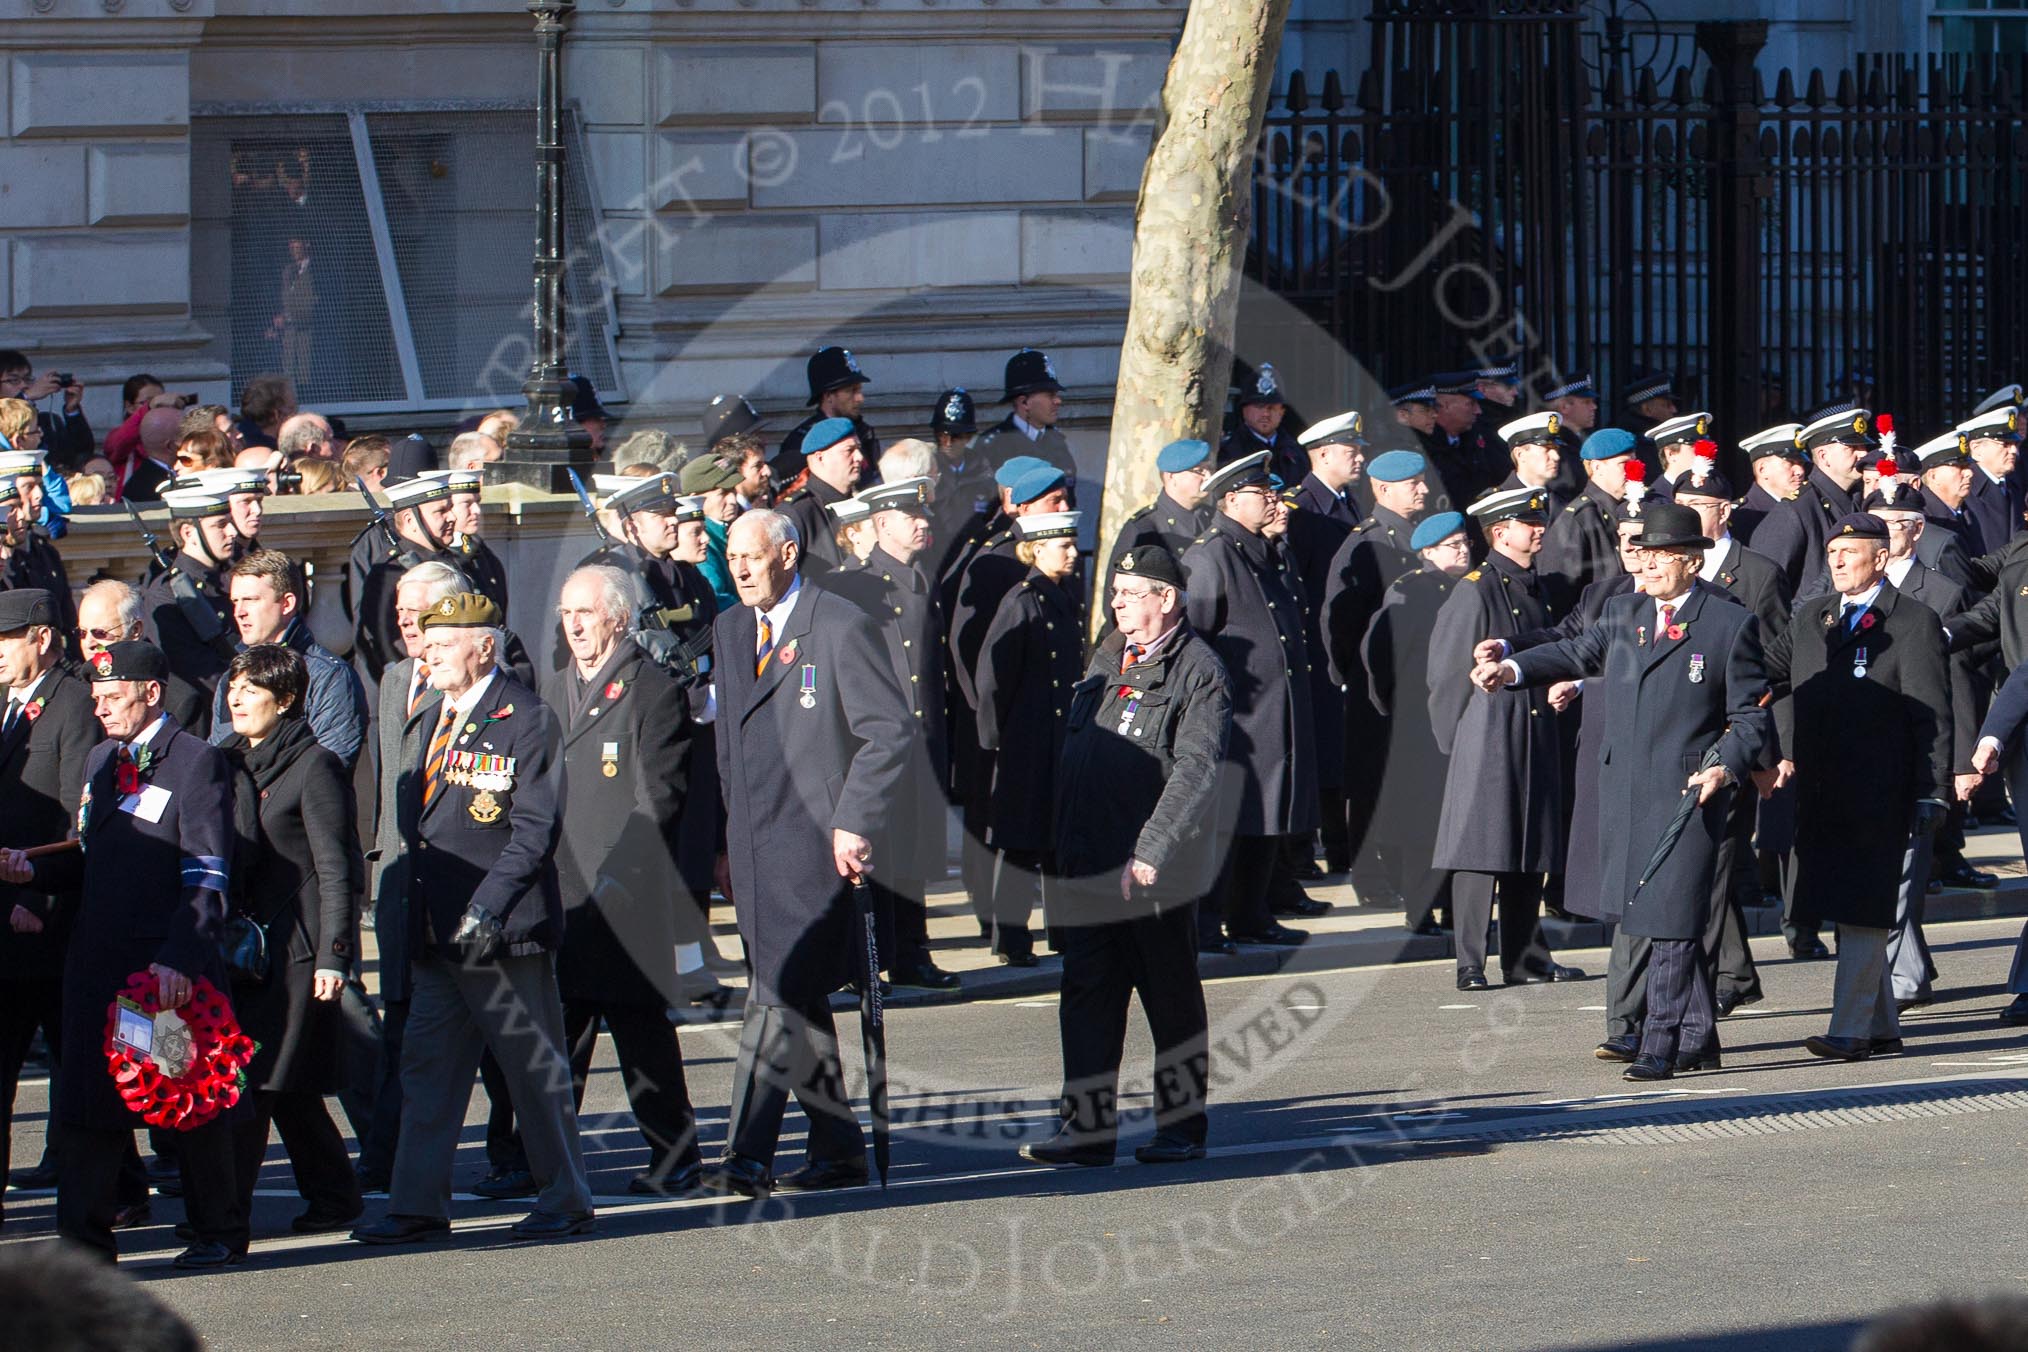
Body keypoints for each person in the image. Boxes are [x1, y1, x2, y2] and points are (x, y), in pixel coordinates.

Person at [1483, 502, 1772, 1079]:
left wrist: (1724, 766)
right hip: (1624, 788)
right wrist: (1512, 668)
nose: (1649, 565)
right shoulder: (1624, 612)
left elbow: (1750, 717)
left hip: (1689, 790)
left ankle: (1659, 1041)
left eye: (1663, 555)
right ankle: (1697, 1035)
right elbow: (1574, 652)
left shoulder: (1727, 623)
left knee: (1669, 918)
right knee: (1642, 915)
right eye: (1644, 554)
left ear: (1692, 562)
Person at [350, 593, 594, 1244]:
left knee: (532, 1071)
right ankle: (417, 1204)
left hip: (502, 933)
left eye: (443, 641)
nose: (427, 652)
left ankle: (566, 1197)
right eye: (425, 642)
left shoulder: (525, 718)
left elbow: (534, 831)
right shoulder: (433, 715)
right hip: (439, 930)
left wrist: (488, 907)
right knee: (427, 1069)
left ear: (483, 646)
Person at [0, 641, 243, 1266]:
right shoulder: (103, 760)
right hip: (96, 967)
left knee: (183, 1101)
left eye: (112, 698)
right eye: (98, 698)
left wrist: (181, 959)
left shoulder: (196, 763)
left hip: (158, 974)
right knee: (87, 1106)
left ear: (151, 693)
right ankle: (84, 1247)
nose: (101, 708)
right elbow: (90, 861)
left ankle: (217, 1230)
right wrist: (33, 875)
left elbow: (208, 873)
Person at [703, 510, 914, 1198]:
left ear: (787, 554)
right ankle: (838, 1146)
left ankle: (744, 1158)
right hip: (754, 846)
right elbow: (728, 750)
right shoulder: (733, 628)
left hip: (817, 845)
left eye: (750, 556)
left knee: (776, 993)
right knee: (796, 995)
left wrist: (855, 819)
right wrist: (725, 844)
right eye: (731, 556)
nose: (738, 568)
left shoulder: (837, 623)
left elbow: (887, 732)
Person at [1021, 545, 1230, 1168]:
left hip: (1149, 869)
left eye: (1130, 593)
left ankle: (1181, 1128)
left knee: (1168, 997)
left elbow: (1195, 769)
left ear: (1165, 599)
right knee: (1087, 993)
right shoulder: (1108, 654)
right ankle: (1085, 1131)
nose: (1116, 603)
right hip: (1087, 861)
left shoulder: (1198, 669)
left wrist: (1152, 850)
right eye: (1114, 593)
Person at [1757, 514, 1954, 1061]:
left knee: (1864, 909)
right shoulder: (1813, 617)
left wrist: (1930, 790)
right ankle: (1883, 1026)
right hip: (1822, 789)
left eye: (1851, 551)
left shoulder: (1913, 620)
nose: (1838, 561)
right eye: (1833, 551)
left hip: (1880, 791)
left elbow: (1932, 715)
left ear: (1881, 558)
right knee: (1845, 903)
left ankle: (1849, 1030)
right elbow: (1766, 669)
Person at [541, 566, 704, 1194]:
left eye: (585, 613)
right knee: (560, 1039)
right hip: (564, 891)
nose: (575, 626)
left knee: (641, 1035)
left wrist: (621, 877)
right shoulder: (555, 690)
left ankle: (676, 1158)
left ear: (616, 616)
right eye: (566, 614)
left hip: (624, 895)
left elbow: (658, 798)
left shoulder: (651, 689)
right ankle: (547, 1161)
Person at [217, 644, 364, 1235]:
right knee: (292, 1088)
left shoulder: (314, 765)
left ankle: (224, 1215)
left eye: (252, 689)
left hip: (298, 953)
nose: (237, 698)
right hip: (243, 951)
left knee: (255, 1082)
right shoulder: (225, 759)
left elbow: (337, 867)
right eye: (234, 686)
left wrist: (336, 954)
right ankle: (335, 1197)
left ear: (286, 700)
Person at [1427, 486, 1583, 990]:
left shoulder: (1536, 584)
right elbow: (1446, 675)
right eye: (1528, 523)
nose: (1539, 529)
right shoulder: (1476, 588)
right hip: (1488, 732)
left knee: (1527, 847)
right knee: (1479, 849)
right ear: (1500, 533)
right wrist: (1457, 742)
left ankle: (1523, 957)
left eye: (1539, 521)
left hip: (1535, 730)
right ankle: (1470, 960)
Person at [352, 559, 466, 1194]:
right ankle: (385, 1158)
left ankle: (516, 1151)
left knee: (475, 1033)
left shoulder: (482, 678)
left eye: (415, 609)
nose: (402, 619)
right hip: (399, 881)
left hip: (452, 883)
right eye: (398, 608)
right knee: (400, 1022)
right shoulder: (396, 677)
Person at [820, 478, 960, 991]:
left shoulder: (923, 580)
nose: (923, 523)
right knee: (874, 855)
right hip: (874, 741)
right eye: (910, 516)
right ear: (881, 524)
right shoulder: (851, 583)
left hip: (919, 738)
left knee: (914, 851)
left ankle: (912, 953)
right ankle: (865, 960)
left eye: (923, 514)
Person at [1182, 450, 1317, 952]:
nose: (1274, 501)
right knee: (1225, 826)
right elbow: (1194, 639)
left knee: (1266, 816)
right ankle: (1204, 922)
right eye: (1264, 494)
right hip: (1235, 717)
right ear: (1232, 499)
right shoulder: (1211, 555)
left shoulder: (1261, 549)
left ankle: (1251, 914)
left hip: (1272, 715)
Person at [0, 591, 99, 1220]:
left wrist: (38, 890)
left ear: (40, 637)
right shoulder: (12, 703)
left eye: (4, 641)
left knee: (80, 1074)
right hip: (7, 924)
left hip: (47, 922)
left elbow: (75, 814)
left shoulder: (73, 703)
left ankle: (108, 1197)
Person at [973, 510, 1084, 967]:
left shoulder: (1060, 595)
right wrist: (1000, 739)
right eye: (1064, 546)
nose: (1074, 553)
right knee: (1019, 844)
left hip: (1058, 739)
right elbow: (992, 679)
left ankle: (1065, 931)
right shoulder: (1021, 602)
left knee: (1060, 839)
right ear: (1037, 549)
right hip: (1026, 740)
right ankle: (1012, 939)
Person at [1320, 448, 1429, 898]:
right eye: (1412, 484)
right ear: (1383, 490)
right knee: (1372, 783)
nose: (1423, 489)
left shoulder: (1417, 536)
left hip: (1415, 682)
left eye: (1422, 481)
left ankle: (1404, 870)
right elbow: (1339, 621)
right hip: (1376, 685)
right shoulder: (1367, 542)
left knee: (1406, 783)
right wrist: (1359, 677)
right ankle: (1370, 875)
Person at [1361, 513, 1472, 934]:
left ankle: (1455, 908)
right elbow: (1381, 659)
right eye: (1452, 545)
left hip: (1461, 717)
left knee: (1459, 817)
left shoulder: (1470, 589)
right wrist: (1396, 709)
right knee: (1423, 821)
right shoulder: (1409, 592)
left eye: (1464, 543)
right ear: (1427, 552)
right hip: (1420, 721)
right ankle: (1421, 908)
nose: (1462, 551)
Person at [211, 548, 366, 768]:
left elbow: (329, 765)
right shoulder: (233, 678)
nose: (239, 612)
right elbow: (219, 755)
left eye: (251, 600)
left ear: (287, 603)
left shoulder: (329, 676)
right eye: (235, 601)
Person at [139, 486, 242, 731]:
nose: (232, 531)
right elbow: (202, 674)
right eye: (220, 525)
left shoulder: (230, 577)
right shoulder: (168, 594)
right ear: (189, 532)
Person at [350, 459, 456, 684]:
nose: (452, 517)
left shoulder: (452, 562)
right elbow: (386, 643)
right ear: (410, 519)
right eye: (441, 511)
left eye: (451, 508)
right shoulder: (390, 572)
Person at [1752, 408, 1876, 592]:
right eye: (1852, 448)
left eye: (1863, 447)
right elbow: (1765, 588)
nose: (1863, 454)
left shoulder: (1859, 500)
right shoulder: (1796, 509)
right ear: (1823, 456)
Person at [1539, 426, 1639, 611]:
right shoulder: (1577, 520)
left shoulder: (1634, 509)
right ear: (1597, 467)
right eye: (1624, 464)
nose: (1634, 470)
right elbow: (1560, 596)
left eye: (1635, 462)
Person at [1105, 438, 1213, 579]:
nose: (1209, 477)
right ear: (1171, 477)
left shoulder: (1213, 517)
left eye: (1210, 469)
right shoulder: (1145, 526)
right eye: (1199, 471)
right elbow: (1121, 590)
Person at [776, 417, 866, 574]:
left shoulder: (862, 503)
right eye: (849, 451)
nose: (859, 457)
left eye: (858, 449)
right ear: (820, 458)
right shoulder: (797, 513)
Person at [972, 348, 1076, 483]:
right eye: (1050, 395)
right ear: (1024, 402)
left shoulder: (1056, 440)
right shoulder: (994, 444)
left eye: (1056, 395)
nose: (1058, 401)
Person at [778, 347, 880, 481]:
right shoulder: (801, 442)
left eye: (859, 390)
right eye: (851, 390)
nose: (860, 398)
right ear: (828, 396)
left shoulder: (863, 432)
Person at [1219, 362, 1304, 484]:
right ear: (1244, 410)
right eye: (1259, 407)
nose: (1265, 414)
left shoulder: (1296, 451)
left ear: (1282, 412)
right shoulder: (1229, 451)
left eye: (1271, 408)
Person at [447, 468, 510, 618]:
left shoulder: (482, 552)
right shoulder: (439, 555)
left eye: (477, 502)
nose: (476, 510)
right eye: (466, 503)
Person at [1957, 404, 2022, 550]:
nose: (2013, 451)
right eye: (2005, 444)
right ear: (1977, 450)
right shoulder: (1965, 489)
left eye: (2015, 444)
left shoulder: (2014, 484)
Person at [1732, 422, 1807, 547]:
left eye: (1801, 464)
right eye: (1790, 463)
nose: (1800, 471)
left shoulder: (1804, 507)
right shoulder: (1742, 516)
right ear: (1762, 470)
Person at [1495, 410, 1574, 516]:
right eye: (1547, 449)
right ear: (1520, 454)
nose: (1556, 457)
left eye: (1556, 449)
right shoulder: (1498, 502)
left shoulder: (1563, 500)